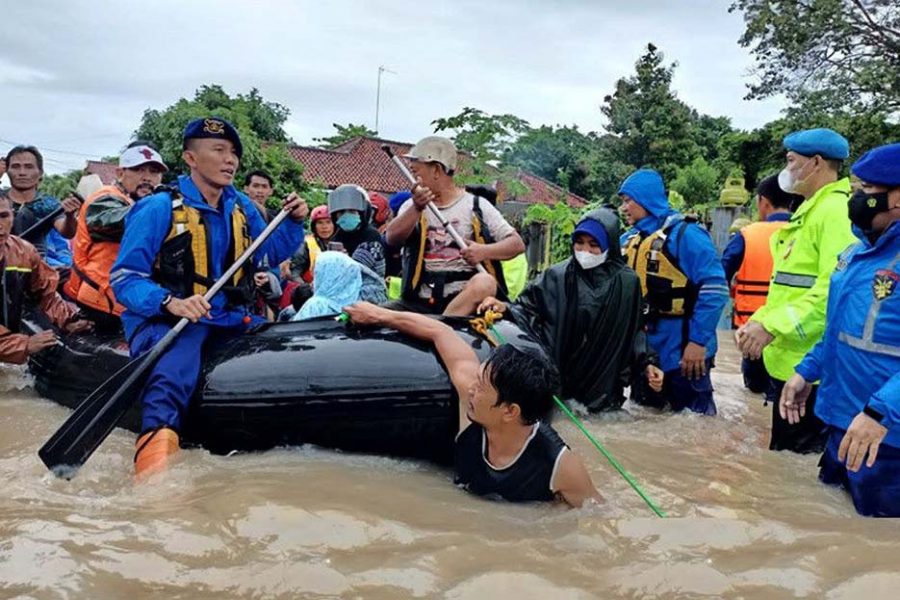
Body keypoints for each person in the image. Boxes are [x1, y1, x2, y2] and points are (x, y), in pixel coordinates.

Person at [110, 117, 308, 476]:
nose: (229, 160)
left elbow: (270, 252)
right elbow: (125, 278)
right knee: (174, 369)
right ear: (190, 157)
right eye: (218, 150)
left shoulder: (242, 208)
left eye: (233, 152)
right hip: (168, 319)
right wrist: (171, 302)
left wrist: (294, 221)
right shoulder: (157, 208)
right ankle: (155, 466)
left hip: (228, 317)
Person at [343, 301, 603, 507]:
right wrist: (379, 315)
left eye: (481, 387)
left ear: (510, 411)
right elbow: (440, 332)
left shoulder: (560, 465)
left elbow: (599, 519)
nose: (471, 390)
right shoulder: (472, 405)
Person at [780, 142, 900, 517]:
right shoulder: (854, 255)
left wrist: (881, 412)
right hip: (842, 425)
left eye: (865, 191)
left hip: (887, 438)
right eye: (854, 190)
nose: (856, 199)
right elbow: (837, 330)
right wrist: (807, 371)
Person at [737, 128, 858, 454]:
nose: (786, 170)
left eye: (791, 161)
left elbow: (833, 291)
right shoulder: (808, 212)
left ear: (816, 162)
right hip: (791, 364)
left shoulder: (834, 213)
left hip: (812, 372)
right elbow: (786, 288)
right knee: (784, 465)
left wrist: (771, 326)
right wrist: (758, 322)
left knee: (798, 460)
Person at [478, 208, 663, 412]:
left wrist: (648, 363)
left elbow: (635, 330)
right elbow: (526, 309)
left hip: (604, 389)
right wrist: (504, 308)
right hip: (560, 382)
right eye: (579, 243)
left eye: (594, 245)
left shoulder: (627, 283)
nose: (585, 251)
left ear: (609, 245)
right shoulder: (557, 276)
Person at [618, 169, 729, 415]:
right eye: (622, 201)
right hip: (647, 352)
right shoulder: (630, 240)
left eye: (628, 200)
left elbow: (715, 289)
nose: (623, 208)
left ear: (646, 199)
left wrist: (697, 343)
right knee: (646, 420)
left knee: (694, 423)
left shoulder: (686, 235)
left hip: (686, 350)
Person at [385, 136, 525, 316]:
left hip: (464, 299)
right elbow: (392, 238)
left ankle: (439, 327)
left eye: (417, 173)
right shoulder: (412, 205)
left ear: (436, 170)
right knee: (363, 313)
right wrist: (417, 208)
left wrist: (483, 251)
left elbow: (517, 244)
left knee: (486, 283)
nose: (414, 181)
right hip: (419, 300)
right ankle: (434, 327)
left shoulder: (476, 205)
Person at [64, 142, 168, 333]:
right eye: (138, 170)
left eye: (154, 172)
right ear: (120, 173)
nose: (147, 178)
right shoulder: (104, 199)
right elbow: (114, 221)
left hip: (132, 298)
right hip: (101, 302)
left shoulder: (146, 204)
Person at [722, 175, 800, 393]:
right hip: (795, 332)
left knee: (753, 395)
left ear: (763, 202)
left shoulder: (747, 235)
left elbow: (719, 277)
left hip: (752, 332)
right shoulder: (807, 232)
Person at [0, 194, 92, 363]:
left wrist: (69, 320)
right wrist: (23, 345)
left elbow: (46, 293)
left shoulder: (23, 251)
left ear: (12, 217)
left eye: (3, 216)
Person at [4, 146, 81, 267]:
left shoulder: (48, 203)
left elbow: (67, 233)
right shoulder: (1, 200)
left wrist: (70, 216)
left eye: (29, 167)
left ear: (40, 173)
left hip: (37, 269)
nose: (22, 173)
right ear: (7, 171)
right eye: (15, 167)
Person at [292, 251, 362, 320]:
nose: (313, 282)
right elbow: (339, 322)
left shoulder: (317, 306)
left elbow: (299, 329)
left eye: (317, 274)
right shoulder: (358, 307)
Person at [290, 204, 333, 283]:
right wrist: (305, 288)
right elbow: (294, 273)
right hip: (313, 290)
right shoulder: (306, 244)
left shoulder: (343, 242)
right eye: (320, 223)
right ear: (314, 226)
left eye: (328, 222)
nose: (324, 227)